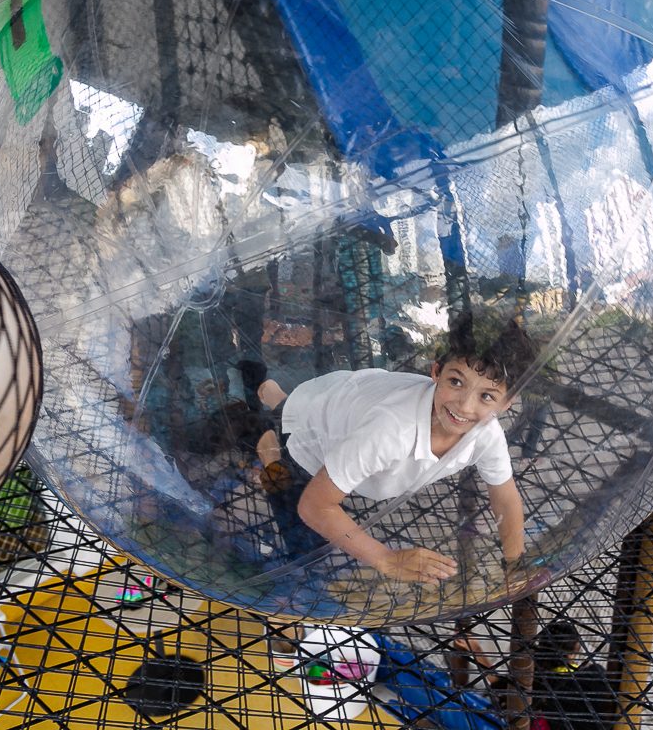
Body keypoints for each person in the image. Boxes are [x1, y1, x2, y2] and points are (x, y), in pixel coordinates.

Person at [244, 311, 535, 585]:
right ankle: (266, 439)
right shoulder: (390, 431)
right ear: (436, 371)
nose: (465, 406)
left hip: (347, 398)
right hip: (315, 429)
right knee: (307, 545)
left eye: (487, 396)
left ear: (507, 403)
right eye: (456, 381)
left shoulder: (486, 433)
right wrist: (386, 559)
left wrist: (515, 563)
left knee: (289, 406)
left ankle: (268, 391)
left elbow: (505, 495)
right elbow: (314, 506)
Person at [453, 620, 617, 730]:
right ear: (570, 655)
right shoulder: (593, 674)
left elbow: (496, 681)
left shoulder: (533, 677)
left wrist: (475, 649)